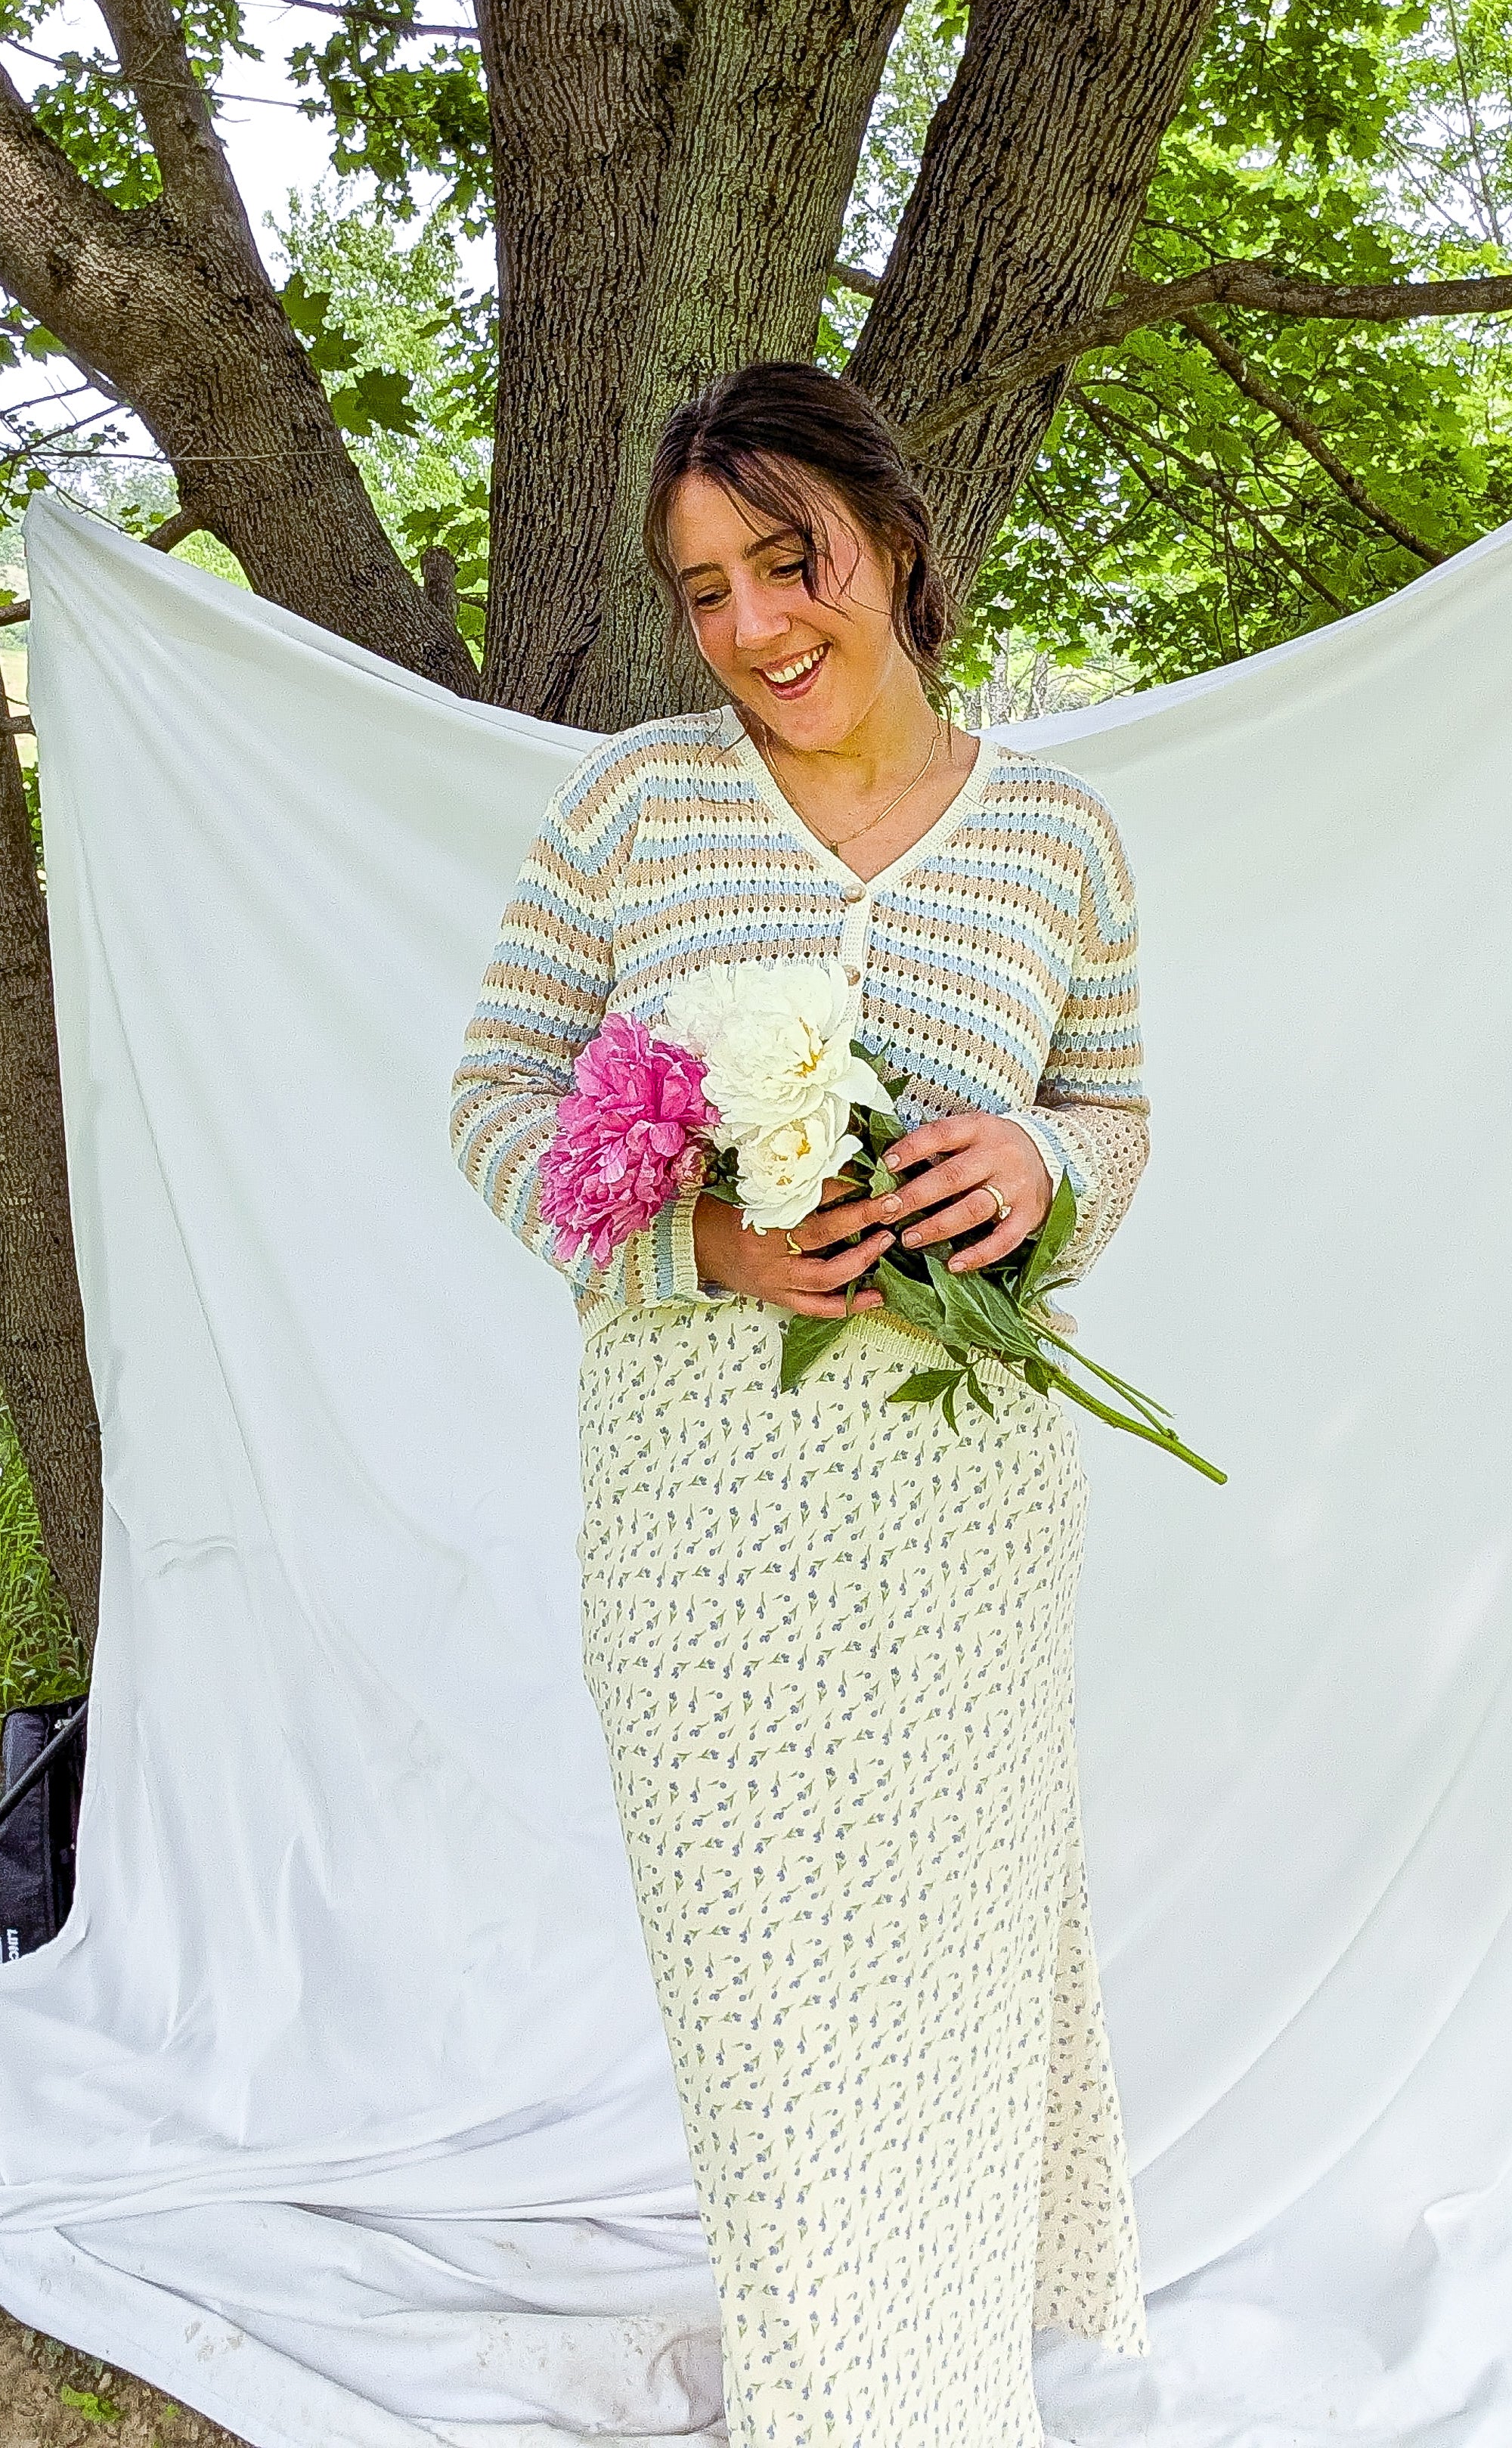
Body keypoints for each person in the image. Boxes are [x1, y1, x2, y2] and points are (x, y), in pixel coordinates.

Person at [451, 361, 1152, 2445]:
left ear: (892, 540)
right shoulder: (635, 812)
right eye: (704, 589)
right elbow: (491, 1095)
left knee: (943, 1974)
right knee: (768, 1994)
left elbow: (1113, 1103)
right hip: (705, 1514)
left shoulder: (1057, 842)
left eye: (790, 558)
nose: (756, 624)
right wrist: (697, 1251)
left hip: (960, 1515)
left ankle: (927, 2389)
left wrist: (1052, 1172)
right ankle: (839, 2404)